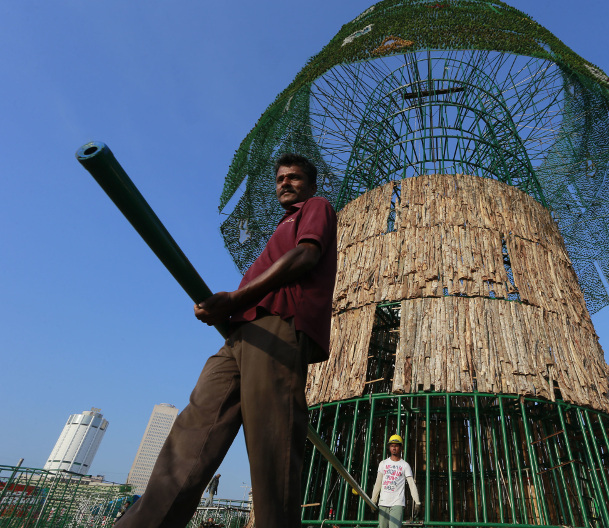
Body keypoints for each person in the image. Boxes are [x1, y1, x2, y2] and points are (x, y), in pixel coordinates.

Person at [115, 153, 337, 528]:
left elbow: (307, 256)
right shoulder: (280, 227)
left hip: (276, 325)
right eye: (281, 178)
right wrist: (229, 310)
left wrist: (235, 299)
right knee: (190, 436)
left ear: (311, 185)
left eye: (295, 177)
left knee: (271, 448)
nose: (285, 183)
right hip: (238, 334)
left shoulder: (316, 207)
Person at [371, 435, 421, 528]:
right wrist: (373, 500)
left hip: (397, 502)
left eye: (396, 446)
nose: (394, 448)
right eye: (392, 445)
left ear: (401, 447)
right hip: (383, 502)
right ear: (389, 447)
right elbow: (378, 483)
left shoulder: (405, 465)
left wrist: (417, 502)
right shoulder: (383, 463)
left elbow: (411, 484)